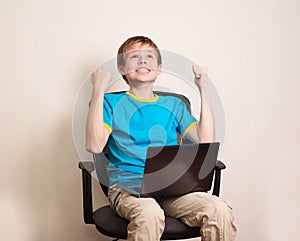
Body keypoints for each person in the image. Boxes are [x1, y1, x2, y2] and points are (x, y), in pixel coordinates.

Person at [86, 36, 237, 241]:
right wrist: (98, 91)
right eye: (134, 57)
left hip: (173, 189)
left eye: (149, 56)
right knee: (149, 213)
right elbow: (95, 145)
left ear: (158, 68)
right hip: (130, 189)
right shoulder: (111, 102)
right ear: (121, 68)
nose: (142, 61)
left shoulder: (173, 105)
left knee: (218, 209)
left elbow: (205, 141)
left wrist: (204, 89)